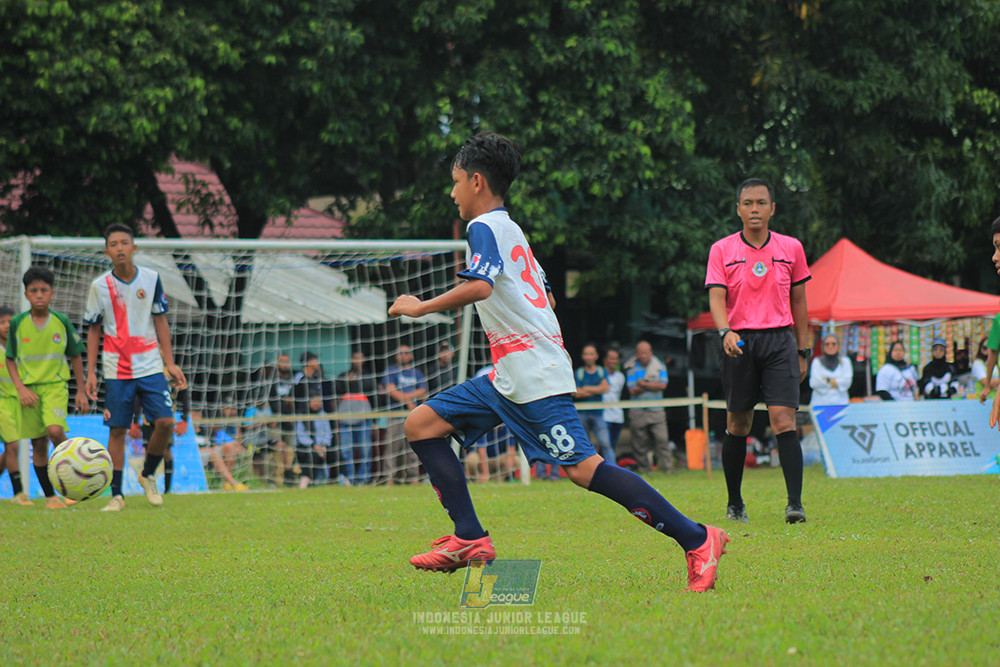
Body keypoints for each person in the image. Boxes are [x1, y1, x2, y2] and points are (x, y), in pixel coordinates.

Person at [387, 132, 727, 592]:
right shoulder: (512, 230)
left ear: (477, 181)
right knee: (421, 425)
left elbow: (481, 287)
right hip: (510, 371)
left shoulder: (482, 228)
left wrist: (420, 306)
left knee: (583, 469)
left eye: (455, 181)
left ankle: (698, 538)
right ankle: (469, 537)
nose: (452, 193)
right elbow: (544, 294)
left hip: (532, 374)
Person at [706, 177, 811, 524]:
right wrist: (725, 332)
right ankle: (735, 503)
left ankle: (794, 504)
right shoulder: (721, 249)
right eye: (748, 203)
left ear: (772, 209)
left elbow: (799, 300)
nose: (754, 209)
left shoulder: (791, 247)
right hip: (739, 342)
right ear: (738, 209)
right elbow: (717, 298)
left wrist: (803, 349)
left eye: (761, 203)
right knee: (738, 423)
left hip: (780, 340)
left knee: (784, 419)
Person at [84, 224, 186, 511]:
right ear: (107, 251)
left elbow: (161, 320)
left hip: (151, 365)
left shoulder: (152, 279)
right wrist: (91, 372)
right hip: (116, 369)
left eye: (124, 242)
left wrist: (170, 362)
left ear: (134, 247)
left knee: (165, 422)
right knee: (117, 430)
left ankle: (148, 474)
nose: (119, 248)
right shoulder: (99, 286)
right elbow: (93, 329)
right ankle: (116, 495)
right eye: (113, 244)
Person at [5, 268, 89, 509]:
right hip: (29, 393)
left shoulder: (61, 321)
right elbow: (10, 358)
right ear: (26, 294)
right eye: (34, 291)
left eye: (44, 290)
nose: (39, 295)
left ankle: (74, 480)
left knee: (54, 430)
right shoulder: (18, 323)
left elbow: (75, 356)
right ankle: (51, 497)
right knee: (38, 445)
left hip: (55, 387)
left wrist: (80, 391)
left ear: (52, 293)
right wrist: (20, 387)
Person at [380, 345, 427, 485]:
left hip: (413, 416)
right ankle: (389, 478)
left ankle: (413, 478)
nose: (403, 355)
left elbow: (422, 390)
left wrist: (407, 397)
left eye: (406, 353)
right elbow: (391, 390)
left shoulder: (416, 373)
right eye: (400, 353)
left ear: (411, 355)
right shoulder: (390, 371)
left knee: (412, 448)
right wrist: (408, 400)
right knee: (392, 448)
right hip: (395, 415)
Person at [624, 341, 672, 473]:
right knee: (639, 442)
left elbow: (663, 385)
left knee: (662, 439)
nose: (643, 355)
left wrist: (642, 384)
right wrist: (651, 384)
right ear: (637, 354)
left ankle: (668, 468)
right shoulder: (632, 367)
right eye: (641, 353)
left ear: (650, 353)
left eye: (646, 352)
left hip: (656, 409)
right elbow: (632, 390)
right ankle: (644, 468)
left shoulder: (659, 366)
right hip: (638, 410)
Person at [334, 349, 378, 485]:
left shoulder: (368, 377)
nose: (357, 361)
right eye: (355, 358)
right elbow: (336, 392)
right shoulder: (343, 376)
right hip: (345, 419)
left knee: (365, 450)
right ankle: (349, 478)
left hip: (364, 419)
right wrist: (348, 381)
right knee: (346, 450)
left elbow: (373, 397)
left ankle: (363, 479)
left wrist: (375, 421)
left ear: (364, 360)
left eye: (360, 358)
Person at [294, 351, 331, 487]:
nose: (317, 363)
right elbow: (292, 400)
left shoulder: (317, 378)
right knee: (308, 453)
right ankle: (305, 479)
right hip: (304, 421)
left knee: (330, 452)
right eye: (315, 360)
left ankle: (337, 480)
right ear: (309, 362)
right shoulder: (299, 379)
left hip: (317, 419)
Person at [573, 344, 614, 464]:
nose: (588, 357)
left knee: (605, 443)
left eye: (591, 354)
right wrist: (597, 389)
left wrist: (585, 389)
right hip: (582, 414)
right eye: (586, 354)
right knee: (584, 445)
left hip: (598, 413)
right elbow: (576, 393)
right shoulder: (579, 372)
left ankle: (614, 469)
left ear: (596, 356)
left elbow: (606, 388)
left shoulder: (602, 371)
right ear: (582, 356)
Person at [269, 353, 298, 484]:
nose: (285, 364)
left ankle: (290, 476)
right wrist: (271, 416)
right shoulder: (273, 380)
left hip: (290, 420)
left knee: (290, 450)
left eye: (287, 362)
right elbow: (269, 400)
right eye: (282, 361)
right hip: (276, 421)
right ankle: (277, 480)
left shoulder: (293, 379)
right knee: (278, 449)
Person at [808, 335, 853, 406]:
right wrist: (836, 382)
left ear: (838, 346)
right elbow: (815, 382)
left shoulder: (845, 361)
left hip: (841, 404)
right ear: (823, 346)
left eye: (833, 344)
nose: (830, 346)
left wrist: (827, 380)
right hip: (820, 404)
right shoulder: (817, 361)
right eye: (827, 344)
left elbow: (846, 382)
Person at [601, 347, 627, 456]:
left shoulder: (621, 377)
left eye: (615, 359)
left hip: (617, 416)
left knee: (612, 445)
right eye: (611, 358)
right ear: (605, 360)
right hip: (603, 416)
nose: (613, 361)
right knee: (605, 445)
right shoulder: (599, 373)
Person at [973, 336, 999, 402]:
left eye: (991, 347)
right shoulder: (978, 363)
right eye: (985, 348)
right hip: (984, 401)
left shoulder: (998, 362)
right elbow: (986, 382)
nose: (988, 350)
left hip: (997, 400)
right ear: (980, 349)